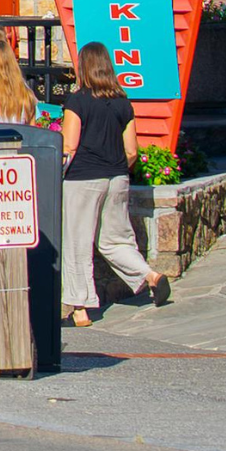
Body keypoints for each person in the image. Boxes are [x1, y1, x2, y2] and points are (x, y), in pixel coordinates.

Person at [57, 42, 157, 323]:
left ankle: (80, 309)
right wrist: (116, 168)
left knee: (77, 242)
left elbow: (70, 145)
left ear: (83, 67)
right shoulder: (123, 102)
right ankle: (150, 275)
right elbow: (133, 150)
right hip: (117, 178)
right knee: (116, 239)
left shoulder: (77, 101)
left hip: (83, 179)